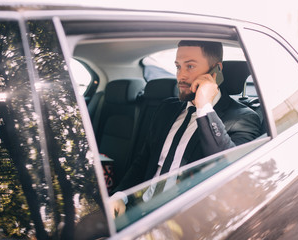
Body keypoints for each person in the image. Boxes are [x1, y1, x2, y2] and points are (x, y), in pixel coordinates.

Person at [109, 40, 261, 217]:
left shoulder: (243, 118)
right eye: (177, 66)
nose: (180, 76)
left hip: (184, 220)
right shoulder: (167, 108)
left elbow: (229, 170)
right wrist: (120, 195)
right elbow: (143, 160)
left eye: (190, 66)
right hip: (140, 210)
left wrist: (204, 107)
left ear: (216, 70)